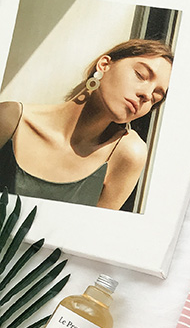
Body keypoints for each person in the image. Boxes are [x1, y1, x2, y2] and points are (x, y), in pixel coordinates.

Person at [0, 38, 173, 210]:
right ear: (104, 65)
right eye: (140, 75)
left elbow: (94, 227)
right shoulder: (11, 120)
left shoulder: (127, 154)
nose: (147, 94)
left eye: (155, 97)